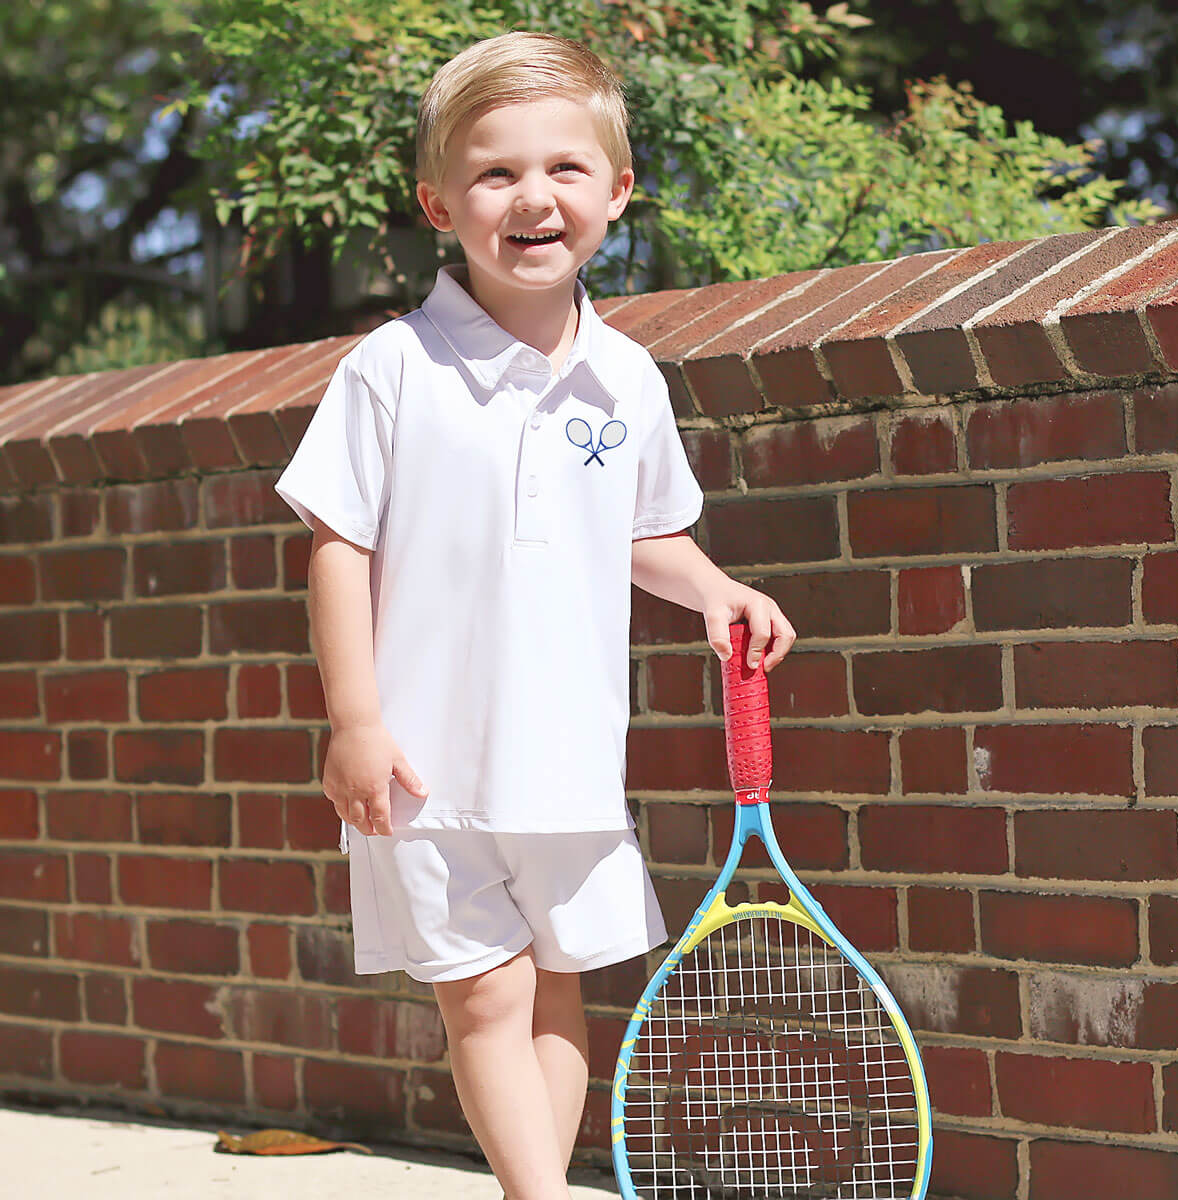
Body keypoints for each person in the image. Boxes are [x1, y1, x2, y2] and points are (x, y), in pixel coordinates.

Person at [274, 30, 796, 1200]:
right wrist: (354, 719)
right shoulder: (392, 368)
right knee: (487, 992)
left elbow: (638, 531)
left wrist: (712, 589)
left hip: (567, 760)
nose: (533, 197)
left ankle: (537, 1189)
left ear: (617, 191)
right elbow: (337, 546)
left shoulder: (628, 379)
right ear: (439, 202)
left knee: (558, 983)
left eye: (565, 169)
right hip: (425, 767)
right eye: (495, 172)